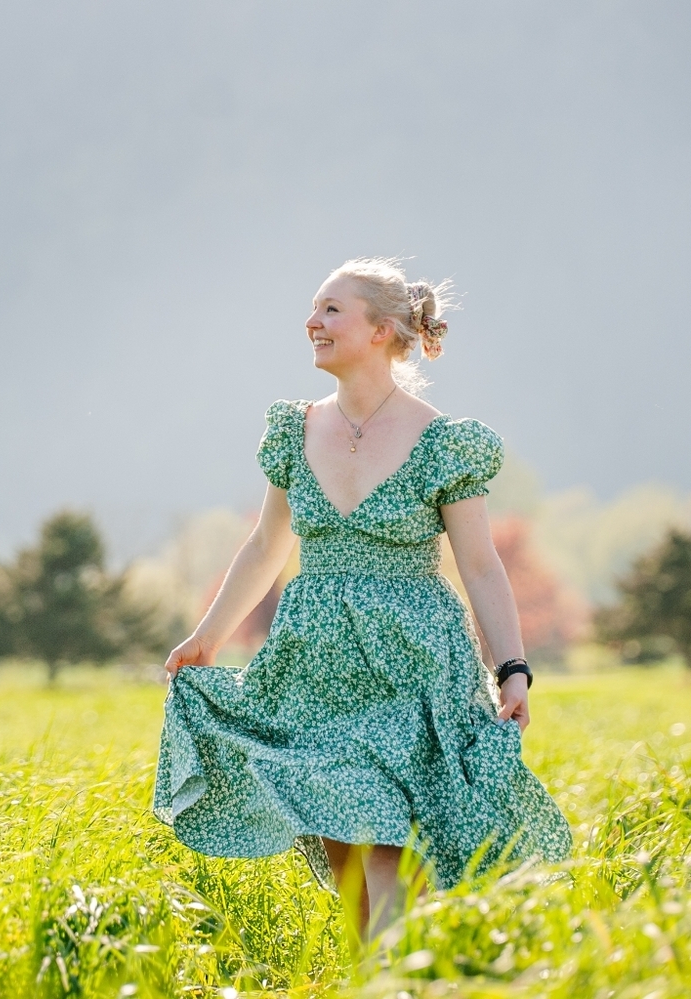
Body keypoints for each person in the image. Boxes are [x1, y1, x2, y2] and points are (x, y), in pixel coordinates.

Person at [153, 257, 571, 943]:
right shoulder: (294, 430)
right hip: (313, 666)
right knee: (343, 843)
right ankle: (389, 975)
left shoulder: (444, 442)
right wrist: (208, 637)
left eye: (330, 309)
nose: (311, 321)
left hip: (411, 667)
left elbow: (481, 565)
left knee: (383, 842)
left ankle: (402, 976)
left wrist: (513, 668)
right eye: (314, 309)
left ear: (380, 329)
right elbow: (265, 547)